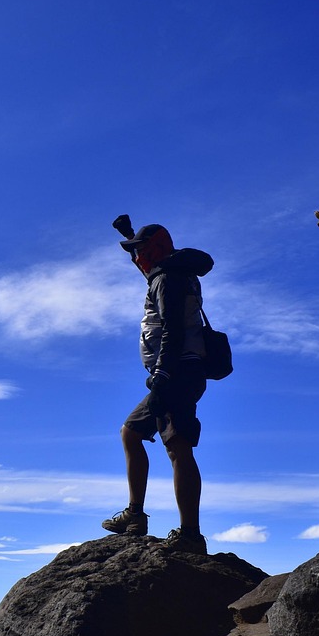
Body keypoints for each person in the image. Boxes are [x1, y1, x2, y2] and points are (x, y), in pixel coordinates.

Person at [101, 218, 213, 554]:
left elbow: (172, 328)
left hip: (177, 373)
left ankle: (190, 535)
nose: (137, 258)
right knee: (131, 432)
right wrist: (130, 241)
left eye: (140, 251)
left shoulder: (168, 277)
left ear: (154, 251)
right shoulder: (169, 274)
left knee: (178, 447)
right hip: (180, 371)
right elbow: (153, 281)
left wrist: (163, 372)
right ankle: (135, 516)